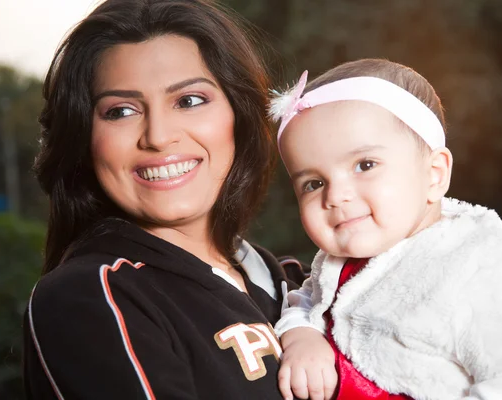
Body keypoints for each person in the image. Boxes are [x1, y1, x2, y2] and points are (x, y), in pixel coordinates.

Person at [22, 0, 306, 398]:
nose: (157, 135)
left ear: (239, 114)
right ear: (84, 138)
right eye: (120, 111)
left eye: (189, 101)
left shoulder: (301, 284)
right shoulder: (90, 297)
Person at [269, 59, 502, 400]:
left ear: (434, 174)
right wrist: (301, 335)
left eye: (365, 165)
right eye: (314, 183)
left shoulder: (485, 266)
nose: (336, 196)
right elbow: (306, 300)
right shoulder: (336, 261)